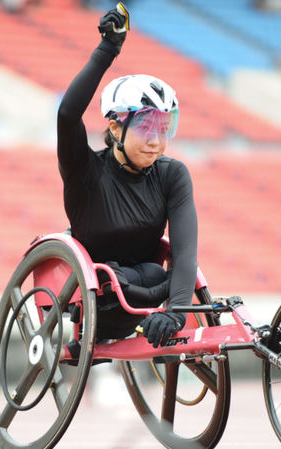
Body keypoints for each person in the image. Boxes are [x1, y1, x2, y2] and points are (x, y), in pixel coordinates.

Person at [57, 3, 197, 349]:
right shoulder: (84, 169)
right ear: (116, 126)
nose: (156, 142)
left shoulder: (173, 175)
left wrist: (176, 313)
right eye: (147, 128)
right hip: (95, 300)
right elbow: (67, 114)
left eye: (164, 129)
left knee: (154, 272)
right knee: (147, 274)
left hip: (148, 296)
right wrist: (108, 49)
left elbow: (184, 251)